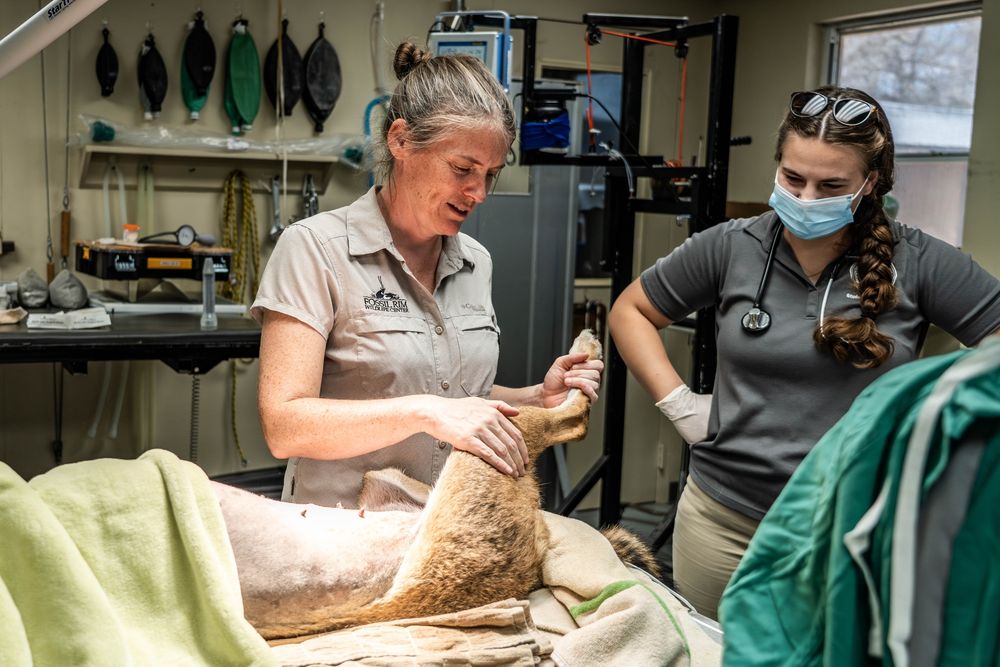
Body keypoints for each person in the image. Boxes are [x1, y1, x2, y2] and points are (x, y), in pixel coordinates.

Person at [608, 85, 1000, 619]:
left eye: (831, 184)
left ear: (871, 183)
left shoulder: (923, 262)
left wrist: (940, 431)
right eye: (793, 178)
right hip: (722, 521)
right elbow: (630, 312)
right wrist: (679, 403)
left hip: (854, 526)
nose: (807, 198)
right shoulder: (730, 246)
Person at [250, 42, 603, 508]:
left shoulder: (476, 261)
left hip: (446, 531)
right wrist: (427, 413)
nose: (477, 193)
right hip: (339, 534)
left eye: (491, 174)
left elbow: (447, 388)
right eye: (462, 169)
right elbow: (285, 426)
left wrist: (537, 396)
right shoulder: (314, 250)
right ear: (400, 141)